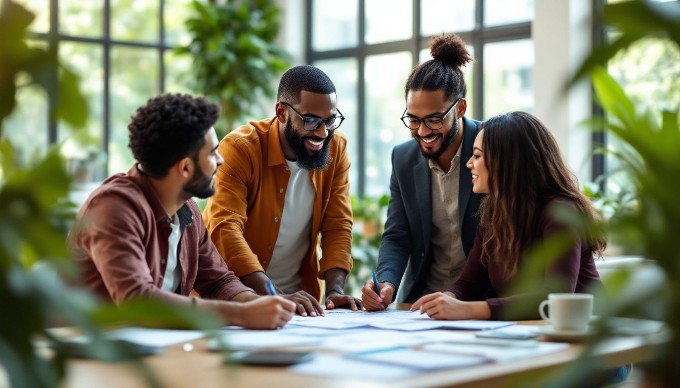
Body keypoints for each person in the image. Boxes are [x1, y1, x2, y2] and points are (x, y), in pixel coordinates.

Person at [68, 93, 295, 330]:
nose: (220, 161)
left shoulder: (187, 210)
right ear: (185, 167)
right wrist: (242, 314)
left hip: (154, 351)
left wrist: (262, 304)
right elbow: (138, 301)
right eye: (212, 153)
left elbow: (218, 281)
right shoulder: (114, 207)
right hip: (91, 354)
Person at [410, 111, 606, 321]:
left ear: (507, 161)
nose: (469, 163)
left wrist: (467, 310)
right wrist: (446, 299)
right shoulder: (495, 212)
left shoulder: (562, 213)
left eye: (477, 155)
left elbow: (555, 297)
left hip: (590, 335)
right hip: (530, 333)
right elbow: (469, 284)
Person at [203, 65, 362, 317]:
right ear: (281, 112)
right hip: (240, 302)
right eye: (310, 120)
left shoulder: (337, 147)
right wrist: (273, 295)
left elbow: (338, 224)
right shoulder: (240, 148)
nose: (322, 132)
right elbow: (225, 228)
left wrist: (334, 292)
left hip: (302, 308)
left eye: (330, 120)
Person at [361, 34, 483, 310]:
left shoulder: (490, 146)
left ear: (460, 108)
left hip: (480, 301)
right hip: (420, 304)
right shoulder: (403, 158)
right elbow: (397, 233)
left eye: (434, 119)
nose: (423, 131)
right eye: (413, 120)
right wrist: (387, 282)